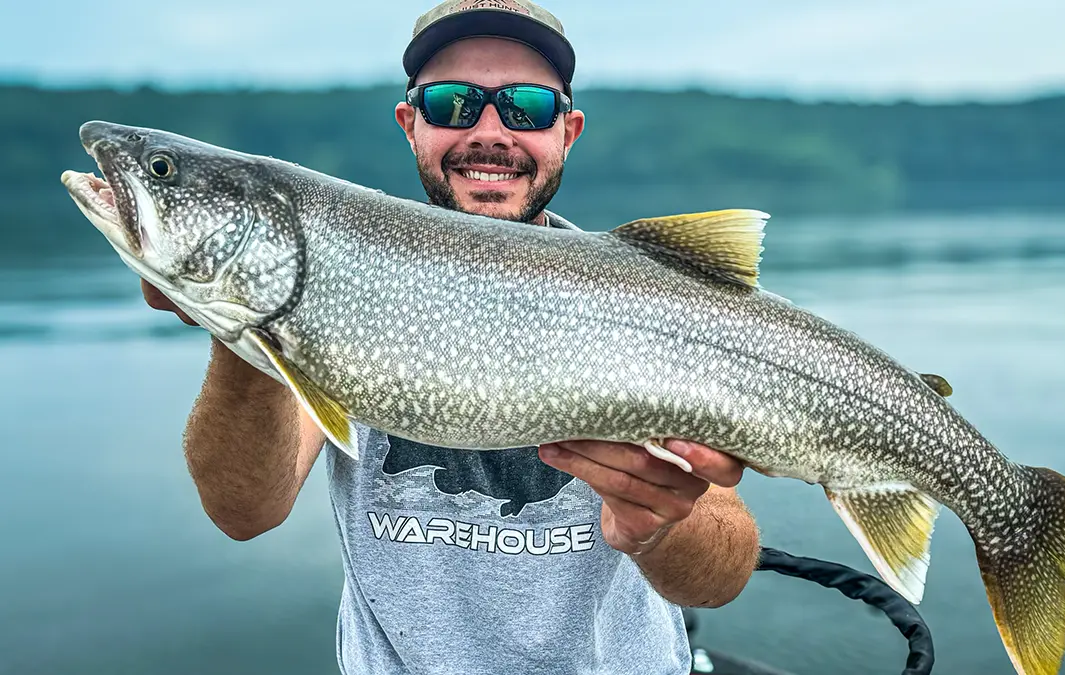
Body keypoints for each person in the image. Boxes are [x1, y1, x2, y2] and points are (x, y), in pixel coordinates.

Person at [144, 1, 762, 672]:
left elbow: (721, 577)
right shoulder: (341, 273)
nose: (489, 130)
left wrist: (661, 527)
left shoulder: (643, 298)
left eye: (525, 105)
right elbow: (245, 511)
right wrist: (241, 319)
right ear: (411, 125)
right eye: (451, 104)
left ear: (568, 131)